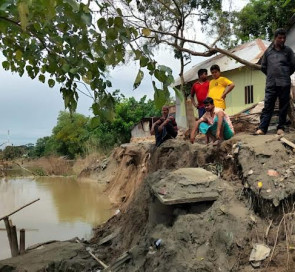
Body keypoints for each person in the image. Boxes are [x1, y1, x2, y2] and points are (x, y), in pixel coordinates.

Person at [256, 28, 295, 136]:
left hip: (284, 83)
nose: (282, 40)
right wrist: (272, 75)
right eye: (280, 38)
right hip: (271, 83)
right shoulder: (268, 52)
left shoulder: (288, 51)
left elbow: (293, 66)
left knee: (283, 106)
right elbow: (263, 67)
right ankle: (263, 128)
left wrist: (285, 74)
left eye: (284, 38)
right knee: (268, 105)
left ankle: (280, 127)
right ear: (275, 38)